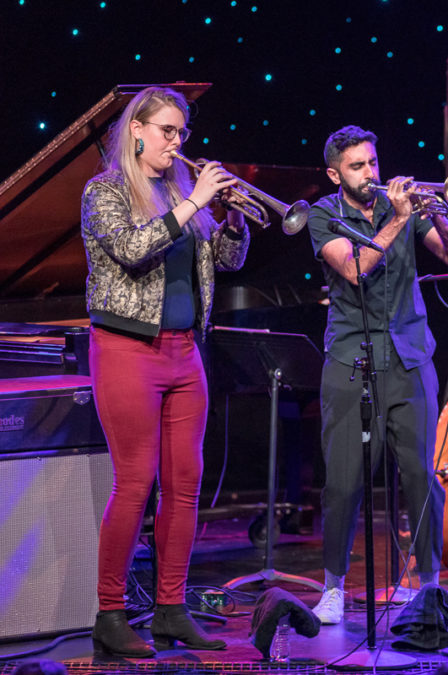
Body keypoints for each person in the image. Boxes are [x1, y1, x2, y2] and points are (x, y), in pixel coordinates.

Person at [81, 86, 249, 657]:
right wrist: (196, 203)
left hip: (185, 353)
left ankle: (172, 610)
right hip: (127, 349)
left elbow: (229, 262)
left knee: (185, 485)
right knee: (135, 483)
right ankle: (110, 613)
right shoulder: (103, 192)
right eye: (167, 132)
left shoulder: (183, 192)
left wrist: (229, 220)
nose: (178, 144)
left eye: (182, 133)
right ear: (137, 130)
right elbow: (132, 249)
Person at [307, 125, 448, 624]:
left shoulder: (400, 210)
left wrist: (438, 217)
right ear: (335, 174)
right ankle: (334, 586)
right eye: (358, 166)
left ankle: (429, 587)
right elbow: (356, 269)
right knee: (344, 483)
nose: (371, 174)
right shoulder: (322, 215)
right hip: (351, 361)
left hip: (410, 358)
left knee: (422, 476)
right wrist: (400, 221)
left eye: (373, 162)